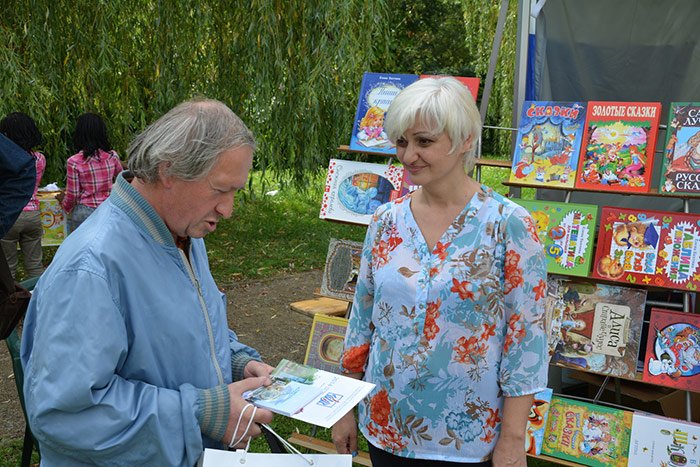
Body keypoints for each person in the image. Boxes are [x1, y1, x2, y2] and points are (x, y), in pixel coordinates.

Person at [21, 98, 275, 465]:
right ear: (168, 171)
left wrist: (234, 362)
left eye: (236, 192)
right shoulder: (92, 265)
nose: (228, 209)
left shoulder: (183, 233)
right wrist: (200, 412)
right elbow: (65, 415)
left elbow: (185, 332)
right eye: (220, 190)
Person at [331, 77, 548, 466]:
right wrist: (344, 406)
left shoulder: (508, 224)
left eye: (424, 141)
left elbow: (526, 339)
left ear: (465, 140)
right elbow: (361, 321)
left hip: (470, 439)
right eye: (402, 142)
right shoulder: (385, 220)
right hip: (387, 429)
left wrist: (514, 438)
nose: (409, 155)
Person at [59, 112, 124, 232]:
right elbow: (122, 179)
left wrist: (65, 206)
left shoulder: (74, 161)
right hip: (108, 210)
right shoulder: (112, 156)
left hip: (84, 212)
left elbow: (73, 194)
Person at [0, 113, 46, 279]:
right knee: (35, 265)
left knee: (8, 267)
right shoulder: (39, 158)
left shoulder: (6, 160)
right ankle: (40, 293)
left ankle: (9, 294)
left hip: (10, 215)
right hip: (33, 214)